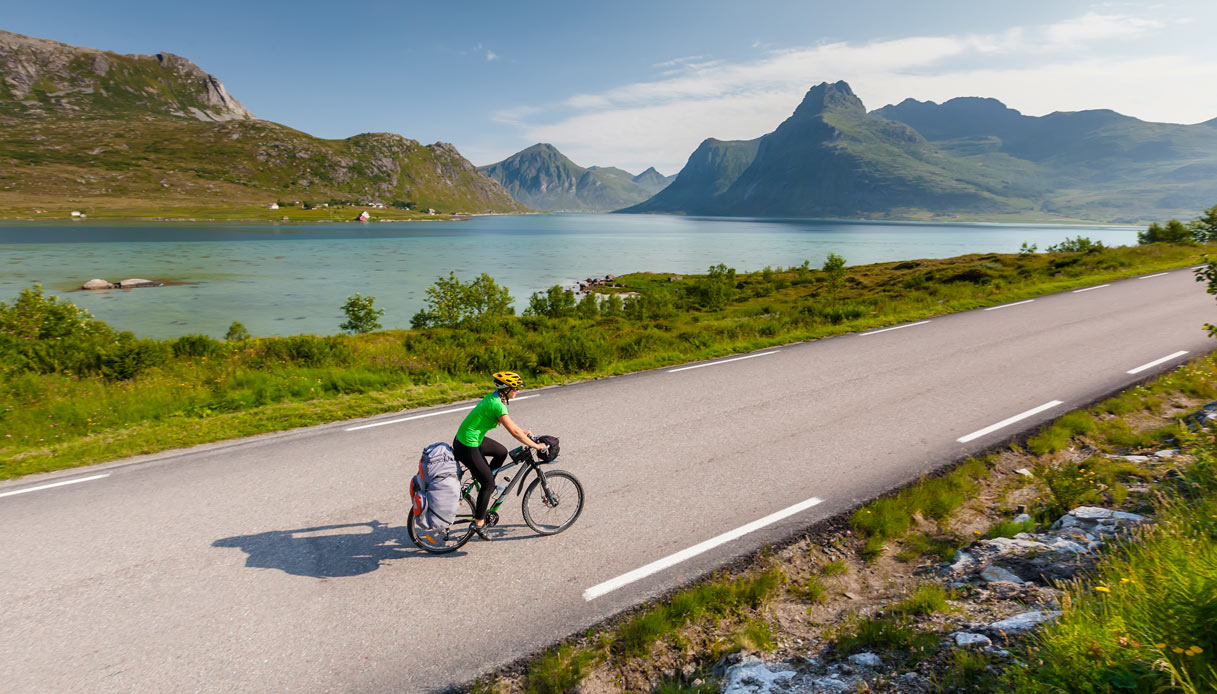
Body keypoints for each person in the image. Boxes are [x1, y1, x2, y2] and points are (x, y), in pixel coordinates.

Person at [453, 371, 547, 538]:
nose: (517, 390)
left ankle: (485, 483)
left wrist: (523, 432)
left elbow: (511, 426)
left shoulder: (496, 398)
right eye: (515, 388)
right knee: (487, 483)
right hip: (467, 445)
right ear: (506, 389)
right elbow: (515, 433)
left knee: (501, 452)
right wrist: (536, 446)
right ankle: (479, 523)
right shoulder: (497, 404)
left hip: (471, 439)